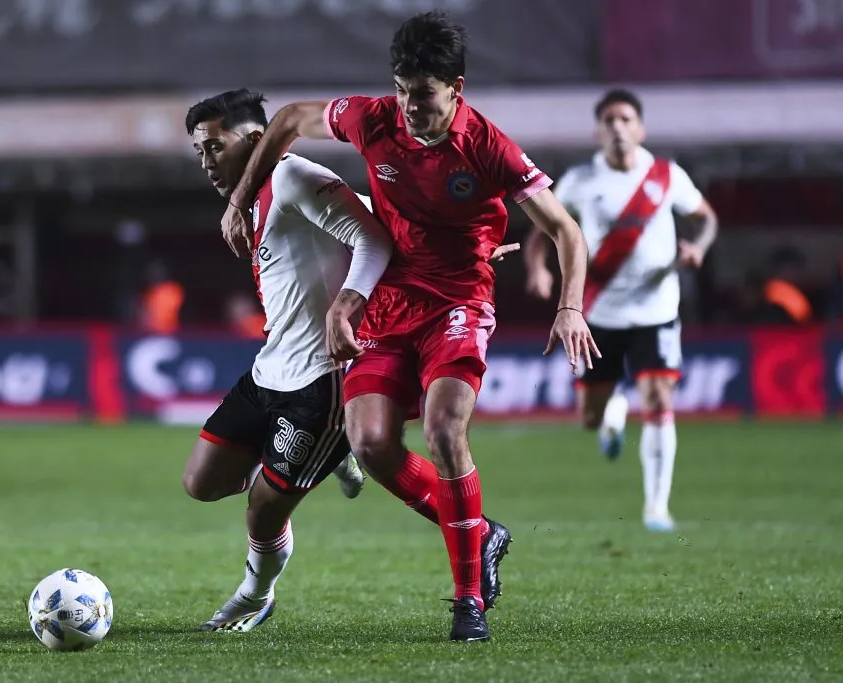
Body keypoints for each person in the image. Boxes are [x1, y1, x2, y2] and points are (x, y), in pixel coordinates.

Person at [220, 12, 598, 642]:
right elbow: (287, 120)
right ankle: (484, 534)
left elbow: (565, 231)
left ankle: (467, 599)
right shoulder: (372, 119)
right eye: (401, 89)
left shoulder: (490, 148)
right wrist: (240, 200)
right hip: (392, 302)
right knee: (368, 442)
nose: (408, 107)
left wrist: (570, 306)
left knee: (447, 429)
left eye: (422, 95)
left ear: (457, 88)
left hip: (459, 301)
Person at [181, 89, 389, 632]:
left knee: (263, 507)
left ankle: (255, 595)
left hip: (321, 382)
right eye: (199, 152)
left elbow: (375, 240)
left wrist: (347, 306)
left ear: (255, 139)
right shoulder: (252, 195)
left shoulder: (294, 176)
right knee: (200, 483)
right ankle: (329, 459)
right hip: (269, 369)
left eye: (214, 147)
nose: (207, 163)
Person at [523, 88, 719, 532]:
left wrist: (699, 248)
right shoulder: (579, 181)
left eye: (626, 119)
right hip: (597, 314)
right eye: (609, 120)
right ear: (598, 131)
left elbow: (706, 218)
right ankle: (611, 417)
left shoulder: (668, 176)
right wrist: (537, 267)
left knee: (659, 399)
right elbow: (543, 231)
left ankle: (656, 508)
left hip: (657, 309)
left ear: (640, 128)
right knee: (591, 418)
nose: (618, 127)